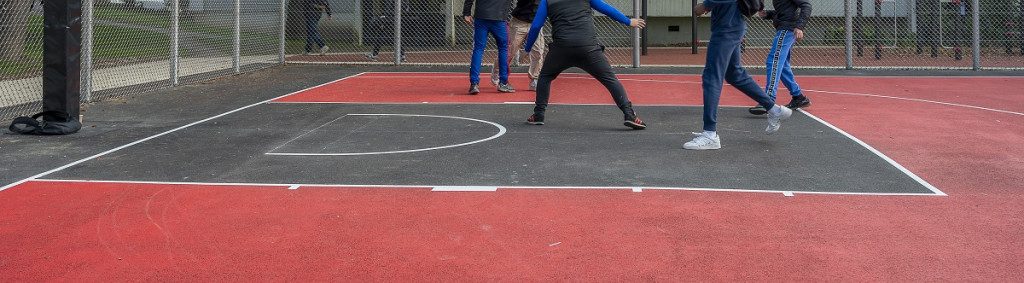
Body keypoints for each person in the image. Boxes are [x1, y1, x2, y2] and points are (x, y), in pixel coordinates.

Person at [684, 0, 792, 150]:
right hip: (734, 27)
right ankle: (774, 109)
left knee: (711, 78)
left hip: (725, 31)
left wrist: (704, 6)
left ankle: (710, 134)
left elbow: (699, 9)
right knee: (735, 74)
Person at [523, 0, 648, 130]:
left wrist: (527, 48)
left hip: (561, 49)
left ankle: (538, 115)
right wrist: (628, 21)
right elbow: (606, 8)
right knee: (610, 80)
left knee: (545, 77)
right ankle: (629, 114)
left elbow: (536, 25)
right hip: (588, 48)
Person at [748, 0, 812, 116]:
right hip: (785, 28)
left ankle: (768, 101)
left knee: (773, 62)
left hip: (787, 29)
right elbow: (786, 11)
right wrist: (769, 14)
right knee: (782, 66)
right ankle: (799, 97)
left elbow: (806, 6)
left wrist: (800, 26)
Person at [488, 0, 545, 91]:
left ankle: (534, 79)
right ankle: (497, 70)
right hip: (519, 22)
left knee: (538, 52)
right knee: (510, 52)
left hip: (536, 23)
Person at [463, 0, 515, 94]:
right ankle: (503, 82)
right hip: (499, 17)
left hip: (481, 16)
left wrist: (466, 12)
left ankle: (474, 83)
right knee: (503, 49)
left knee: (478, 49)